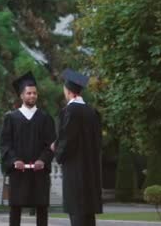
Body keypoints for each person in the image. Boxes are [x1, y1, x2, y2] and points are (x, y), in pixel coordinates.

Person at [0, 71, 56, 226]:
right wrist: (14, 160)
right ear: (21, 96)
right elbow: (5, 144)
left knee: (42, 208)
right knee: (15, 209)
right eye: (29, 93)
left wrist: (43, 160)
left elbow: (51, 144)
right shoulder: (11, 118)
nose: (32, 96)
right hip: (19, 172)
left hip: (39, 173)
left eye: (34, 93)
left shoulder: (45, 118)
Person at [52, 69, 103, 226]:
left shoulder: (69, 111)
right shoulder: (92, 112)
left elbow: (67, 139)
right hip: (91, 171)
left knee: (77, 212)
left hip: (75, 170)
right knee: (88, 214)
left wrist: (57, 150)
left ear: (69, 92)